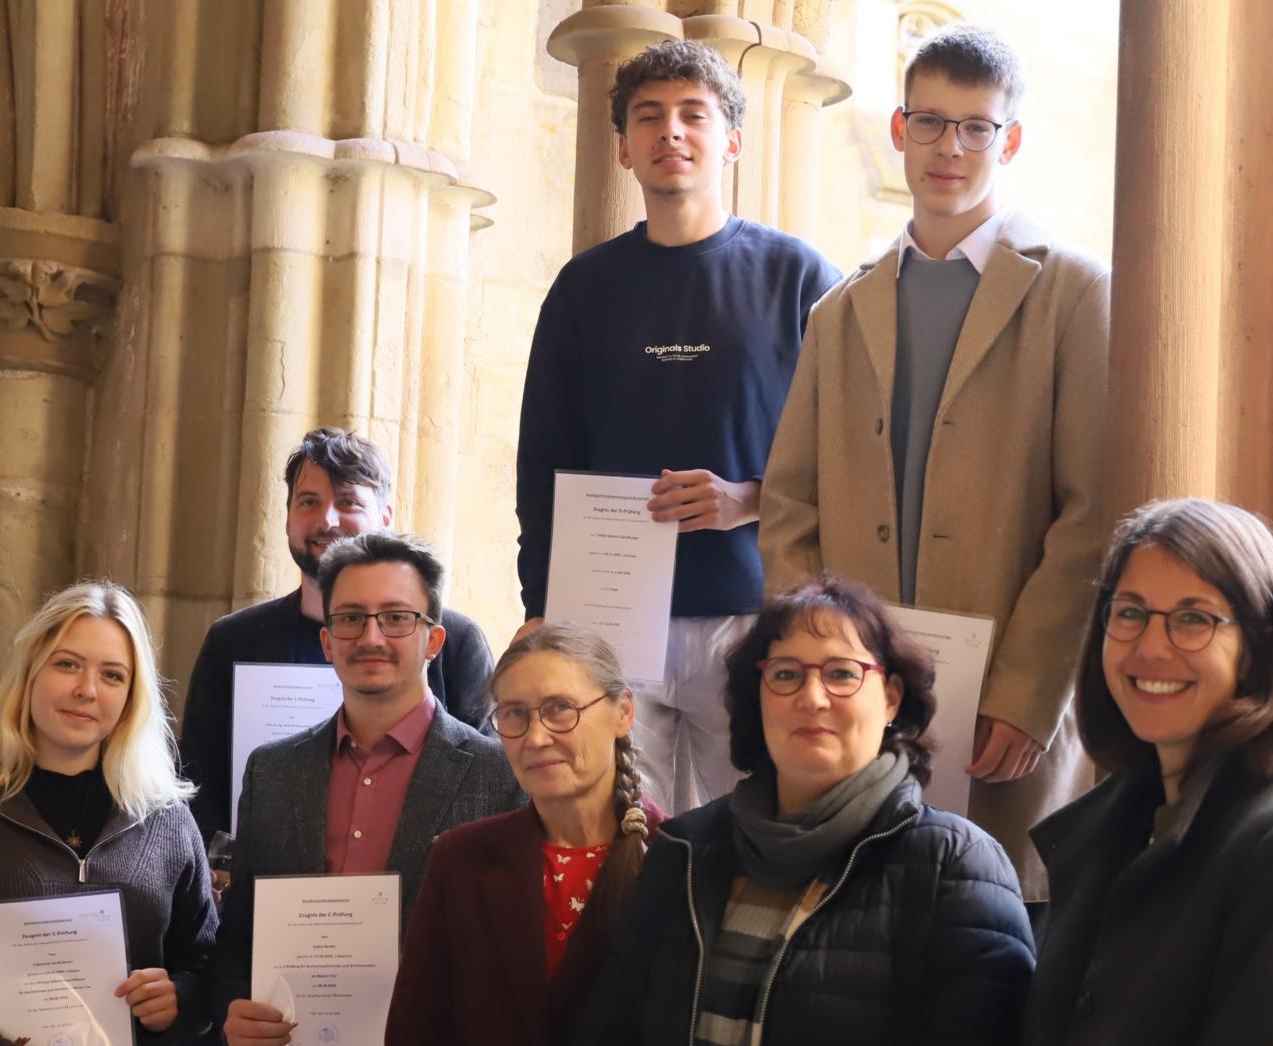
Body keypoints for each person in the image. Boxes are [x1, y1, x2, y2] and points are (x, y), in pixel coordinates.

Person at [758, 23, 1107, 900]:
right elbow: (790, 504)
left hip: (1001, 710)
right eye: (930, 122)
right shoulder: (841, 309)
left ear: (1009, 141)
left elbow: (1094, 513)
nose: (950, 147)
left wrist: (1028, 694)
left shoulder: (1073, 292)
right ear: (899, 129)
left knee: (993, 927)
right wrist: (818, 662)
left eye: (976, 127)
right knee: (857, 923)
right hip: (860, 697)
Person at [516, 40, 841, 816]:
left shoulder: (798, 277)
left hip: (754, 609)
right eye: (649, 116)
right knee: (625, 836)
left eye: (694, 114)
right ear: (623, 148)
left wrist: (750, 499)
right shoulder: (583, 288)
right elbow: (545, 458)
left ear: (732, 141)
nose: (671, 131)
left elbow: (851, 452)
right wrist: (539, 601)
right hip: (609, 614)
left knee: (760, 829)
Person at [569, 576, 1033, 1045]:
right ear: (759, 697)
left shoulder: (957, 867)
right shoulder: (683, 850)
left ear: (891, 697)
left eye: (842, 674)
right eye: (786, 674)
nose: (812, 698)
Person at [1021, 498, 1273, 1046]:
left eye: (1193, 619)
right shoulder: (1110, 829)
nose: (1150, 647)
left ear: (1256, 650)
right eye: (1130, 612)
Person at [0, 581, 216, 1045]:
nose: (87, 690)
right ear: (30, 674)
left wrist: (180, 1000)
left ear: (132, 698)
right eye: (67, 664)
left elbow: (208, 966)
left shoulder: (166, 821)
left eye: (113, 675)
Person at [209, 531, 524, 1046]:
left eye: (396, 617)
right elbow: (238, 936)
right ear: (327, 641)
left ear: (434, 641)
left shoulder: (501, 776)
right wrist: (232, 1008)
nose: (371, 637)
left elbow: (516, 954)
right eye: (351, 618)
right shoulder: (271, 771)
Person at [181, 427, 495, 843]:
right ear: (287, 518)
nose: (327, 520)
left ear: (385, 518)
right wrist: (219, 864)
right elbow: (197, 780)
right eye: (308, 502)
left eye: (348, 502)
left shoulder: (456, 640)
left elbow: (485, 781)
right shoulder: (232, 641)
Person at [385, 623, 664, 1046]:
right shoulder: (459, 860)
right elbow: (416, 1030)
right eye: (514, 713)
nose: (535, 737)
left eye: (560, 708)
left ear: (623, 711)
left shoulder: (683, 859)